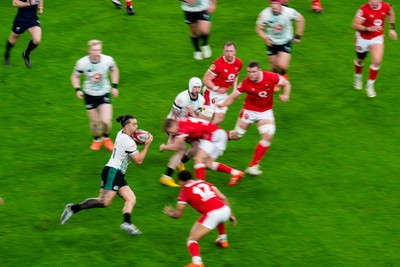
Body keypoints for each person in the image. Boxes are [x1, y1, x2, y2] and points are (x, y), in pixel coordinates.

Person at [60, 114, 153, 235]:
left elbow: (134, 139)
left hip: (115, 172)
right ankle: (72, 208)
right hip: (113, 172)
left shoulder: (122, 133)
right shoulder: (128, 141)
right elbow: (139, 160)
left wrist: (141, 135)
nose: (137, 126)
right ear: (126, 126)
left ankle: (127, 223)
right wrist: (147, 145)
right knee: (104, 202)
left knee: (131, 198)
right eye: (134, 124)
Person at [218, 60, 290, 176]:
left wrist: (285, 95)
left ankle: (253, 166)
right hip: (249, 111)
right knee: (237, 135)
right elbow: (233, 96)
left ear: (259, 70)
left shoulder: (271, 77)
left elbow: (286, 83)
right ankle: (218, 138)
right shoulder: (246, 82)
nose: (251, 74)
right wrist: (223, 104)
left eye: (254, 72)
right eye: (249, 72)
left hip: (265, 112)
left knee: (269, 134)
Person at [164, 170, 237, 267]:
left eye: (179, 181)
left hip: (213, 214)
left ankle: (197, 263)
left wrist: (171, 213)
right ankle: (223, 240)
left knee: (191, 239)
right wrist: (231, 215)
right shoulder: (204, 182)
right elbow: (223, 198)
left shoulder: (185, 191)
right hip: (225, 209)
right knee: (214, 219)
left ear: (182, 181)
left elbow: (178, 214)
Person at [160, 117, 244, 186]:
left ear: (175, 124)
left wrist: (164, 147)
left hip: (213, 135)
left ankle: (201, 186)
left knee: (198, 160)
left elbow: (176, 147)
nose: (173, 133)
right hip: (218, 134)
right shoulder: (182, 121)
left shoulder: (183, 127)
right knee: (208, 164)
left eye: (172, 131)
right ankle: (236, 173)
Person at [71, 40, 120, 151]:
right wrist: (77, 90)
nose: (97, 53)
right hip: (89, 95)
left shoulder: (108, 60)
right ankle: (97, 139)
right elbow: (75, 76)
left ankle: (106, 137)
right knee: (94, 123)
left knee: (106, 121)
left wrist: (115, 86)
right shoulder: (82, 63)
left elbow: (114, 70)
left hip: (104, 93)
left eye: (99, 50)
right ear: (89, 51)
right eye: (94, 50)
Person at [160, 77, 206, 187]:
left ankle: (181, 163)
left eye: (199, 87)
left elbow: (197, 117)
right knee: (180, 151)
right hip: (175, 127)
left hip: (187, 127)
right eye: (195, 87)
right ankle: (166, 177)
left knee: (196, 146)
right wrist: (171, 136)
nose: (197, 89)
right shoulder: (182, 98)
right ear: (190, 87)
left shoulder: (201, 100)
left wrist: (193, 112)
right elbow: (173, 117)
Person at [351, 0, 397, 98]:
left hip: (377, 37)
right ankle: (358, 77)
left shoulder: (386, 6)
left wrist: (392, 29)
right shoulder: (363, 9)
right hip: (362, 38)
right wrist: (369, 29)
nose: (372, 2)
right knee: (360, 60)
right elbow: (354, 25)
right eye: (371, 0)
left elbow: (391, 13)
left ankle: (370, 85)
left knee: (377, 61)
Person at [255, 0, 304, 91]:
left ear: (281, 5)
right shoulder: (264, 14)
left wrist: (298, 36)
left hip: (285, 41)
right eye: (273, 8)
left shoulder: (289, 12)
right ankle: (275, 81)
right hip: (271, 42)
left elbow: (300, 19)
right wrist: (265, 38)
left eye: (277, 8)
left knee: (282, 65)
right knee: (274, 66)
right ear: (270, 5)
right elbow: (258, 28)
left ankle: (284, 77)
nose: (275, 10)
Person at [201, 41, 242, 125]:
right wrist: (217, 88)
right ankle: (190, 121)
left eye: (231, 51)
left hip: (223, 95)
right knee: (206, 119)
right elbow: (205, 79)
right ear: (223, 52)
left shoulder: (238, 63)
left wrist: (234, 90)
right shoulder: (218, 64)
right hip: (210, 92)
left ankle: (206, 135)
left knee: (218, 119)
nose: (229, 54)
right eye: (227, 51)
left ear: (235, 52)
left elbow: (235, 76)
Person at [4, 0, 44, 68]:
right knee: (14, 37)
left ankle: (26, 54)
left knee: (37, 40)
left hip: (33, 19)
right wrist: (28, 3)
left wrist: (40, 7)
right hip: (21, 19)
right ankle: (7, 54)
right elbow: (14, 3)